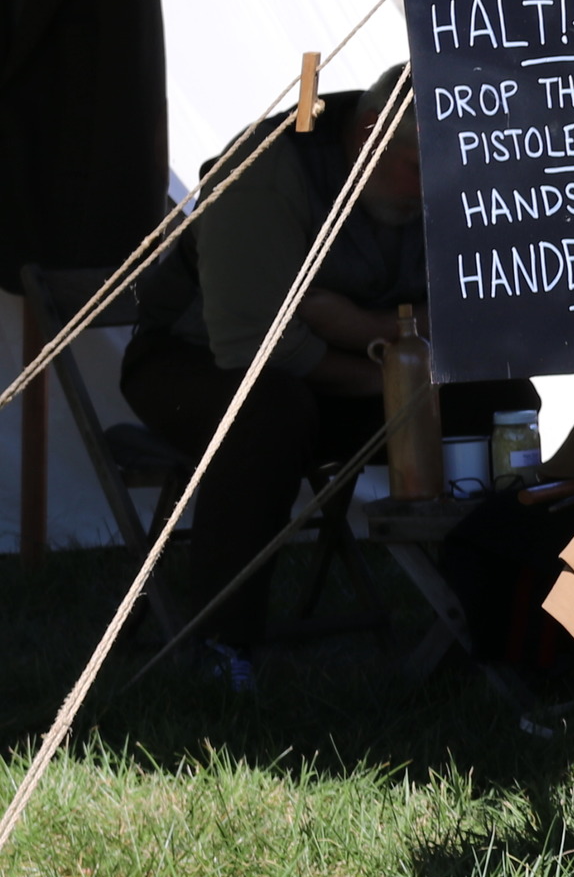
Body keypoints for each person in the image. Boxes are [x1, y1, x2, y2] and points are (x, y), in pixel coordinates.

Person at [118, 69, 531, 687]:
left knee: (501, 396)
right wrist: (399, 377)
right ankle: (221, 645)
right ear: (369, 138)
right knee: (270, 412)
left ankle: (496, 620)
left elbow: (480, 315)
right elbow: (256, 348)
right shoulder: (265, 168)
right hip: (194, 364)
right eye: (421, 173)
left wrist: (371, 333)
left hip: (355, 365)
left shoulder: (444, 177)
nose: (431, 195)